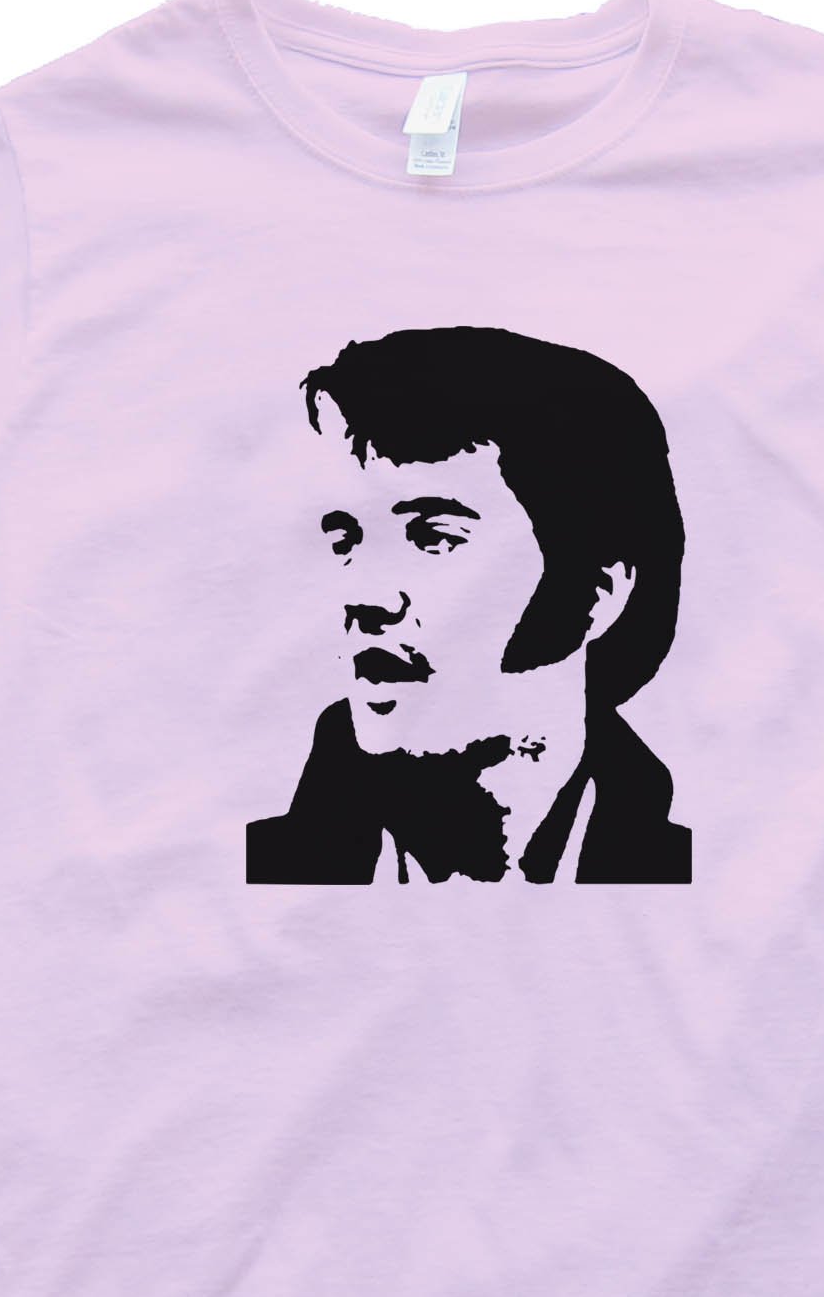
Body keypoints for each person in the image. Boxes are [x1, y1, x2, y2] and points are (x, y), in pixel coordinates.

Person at [247, 325, 692, 884]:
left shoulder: (709, 882)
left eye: (433, 538)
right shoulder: (246, 883)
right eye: (345, 541)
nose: (364, 598)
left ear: (599, 590)